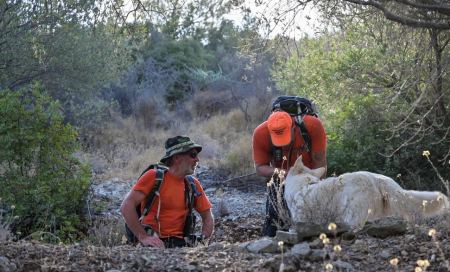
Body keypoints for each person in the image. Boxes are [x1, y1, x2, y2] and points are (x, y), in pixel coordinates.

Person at [120, 135, 214, 248]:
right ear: (176, 158)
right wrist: (143, 237)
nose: (197, 160)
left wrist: (203, 241)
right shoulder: (154, 177)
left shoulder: (192, 184)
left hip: (179, 244)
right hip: (153, 243)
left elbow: (207, 216)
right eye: (192, 155)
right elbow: (126, 206)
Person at [252, 97, 327, 237]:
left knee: (312, 217)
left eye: (286, 138)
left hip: (309, 178)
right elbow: (260, 168)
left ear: (293, 126)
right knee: (275, 219)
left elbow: (320, 162)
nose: (283, 144)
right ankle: (270, 244)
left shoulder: (313, 126)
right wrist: (286, 173)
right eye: (278, 140)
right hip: (280, 179)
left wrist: (320, 189)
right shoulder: (261, 133)